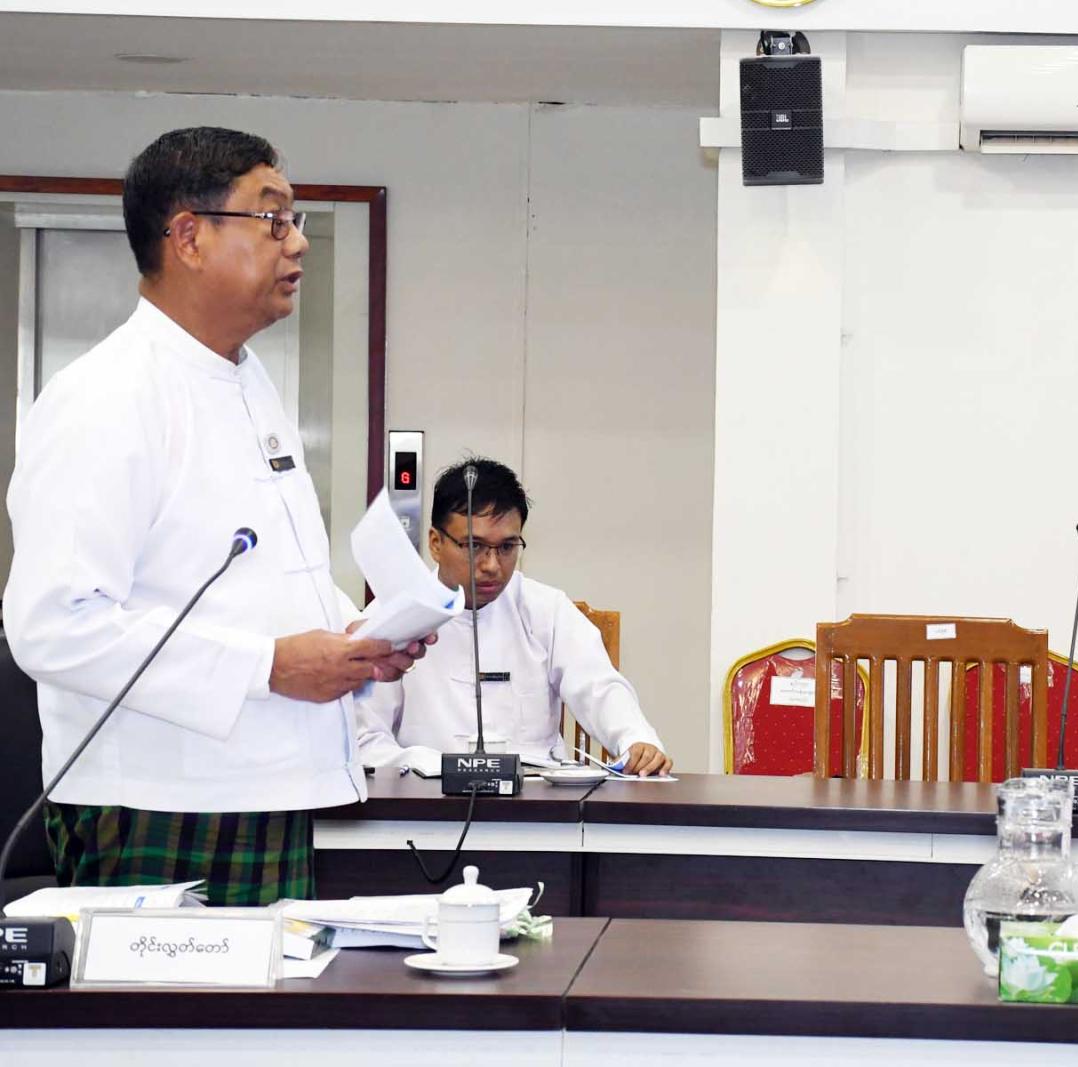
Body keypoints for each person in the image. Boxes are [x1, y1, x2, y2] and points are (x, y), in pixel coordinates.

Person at [3, 127, 428, 906]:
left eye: (295, 220)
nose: (297, 241)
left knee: (278, 993)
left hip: (267, 783)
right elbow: (52, 623)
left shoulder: (247, 379)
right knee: (176, 997)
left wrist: (355, 640)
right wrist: (269, 666)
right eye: (272, 218)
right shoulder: (106, 396)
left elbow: (261, 572)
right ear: (189, 237)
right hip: (159, 798)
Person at [355, 458, 672, 776]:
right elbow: (366, 741)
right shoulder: (391, 616)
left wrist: (635, 740)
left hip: (533, 796)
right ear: (436, 543)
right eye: (474, 545)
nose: (492, 565)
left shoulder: (545, 609)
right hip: (426, 795)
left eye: (507, 547)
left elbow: (598, 688)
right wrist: (432, 766)